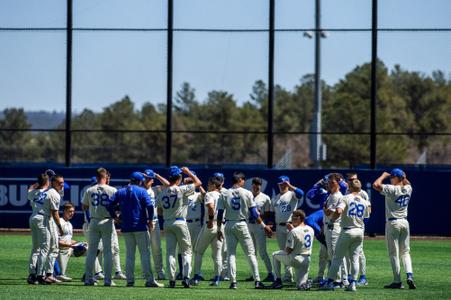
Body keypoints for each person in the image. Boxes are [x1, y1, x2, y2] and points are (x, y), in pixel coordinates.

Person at [216, 171, 271, 290]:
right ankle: (257, 280)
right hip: (241, 223)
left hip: (229, 224)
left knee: (231, 254)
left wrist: (219, 229)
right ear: (240, 180)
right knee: (250, 253)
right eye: (243, 180)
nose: (244, 182)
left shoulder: (224, 193)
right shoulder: (246, 193)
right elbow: (254, 213)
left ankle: (233, 282)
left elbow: (220, 213)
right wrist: (264, 226)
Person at [108, 171, 163, 288]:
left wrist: (114, 217)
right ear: (139, 181)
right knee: (145, 254)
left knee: (129, 255)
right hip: (140, 226)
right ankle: (149, 280)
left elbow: (109, 204)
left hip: (126, 227)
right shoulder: (142, 191)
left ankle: (130, 280)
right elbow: (149, 206)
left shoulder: (121, 191)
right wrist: (149, 220)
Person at [320, 179, 371, 292]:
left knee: (337, 257)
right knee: (354, 258)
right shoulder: (364, 201)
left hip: (347, 230)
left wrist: (332, 221)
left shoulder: (346, 198)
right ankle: (352, 283)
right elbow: (367, 216)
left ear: (350, 188)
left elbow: (338, 210)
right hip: (359, 231)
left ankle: (330, 282)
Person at [156, 166, 202, 288]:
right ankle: (186, 278)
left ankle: (171, 280)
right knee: (186, 251)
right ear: (179, 178)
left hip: (167, 223)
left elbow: (159, 211)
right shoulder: (181, 189)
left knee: (170, 252)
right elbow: (198, 183)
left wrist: (168, 213)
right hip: (180, 222)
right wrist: (188, 172)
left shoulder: (163, 192)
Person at [373, 168, 416, 289]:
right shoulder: (408, 189)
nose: (391, 178)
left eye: (392, 177)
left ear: (397, 178)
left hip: (393, 223)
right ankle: (409, 275)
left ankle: (397, 281)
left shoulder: (392, 189)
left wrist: (383, 176)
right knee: (405, 252)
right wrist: (403, 176)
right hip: (405, 222)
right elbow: (408, 183)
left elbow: (376, 185)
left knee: (393, 254)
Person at [270, 175, 304, 282]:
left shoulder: (292, 194)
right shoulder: (275, 198)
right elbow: (273, 214)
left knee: (294, 251)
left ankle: (300, 274)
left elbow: (301, 193)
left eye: (284, 184)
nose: (282, 186)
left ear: (288, 184)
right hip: (280, 227)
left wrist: (290, 186)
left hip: (291, 226)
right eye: (280, 184)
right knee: (284, 252)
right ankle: (288, 275)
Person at [271, 210, 314, 290]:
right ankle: (306, 283)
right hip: (306, 260)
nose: (291, 221)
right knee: (300, 286)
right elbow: (301, 235)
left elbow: (289, 250)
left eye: (293, 218)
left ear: (299, 218)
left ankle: (278, 280)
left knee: (274, 255)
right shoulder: (310, 229)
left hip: (295, 259)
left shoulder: (294, 231)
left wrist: (291, 231)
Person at [192, 176, 222, 286]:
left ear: (214, 185)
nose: (208, 186)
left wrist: (210, 220)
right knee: (217, 254)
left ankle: (196, 277)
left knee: (198, 251)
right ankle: (217, 278)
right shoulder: (222, 194)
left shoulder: (210, 194)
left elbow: (210, 207)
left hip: (210, 224)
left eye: (209, 184)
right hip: (220, 225)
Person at [35, 174, 65, 284]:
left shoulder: (48, 191)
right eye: (59, 183)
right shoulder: (53, 194)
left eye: (62, 182)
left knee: (52, 247)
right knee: (46, 248)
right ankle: (40, 275)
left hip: (42, 217)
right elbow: (55, 213)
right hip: (45, 219)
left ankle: (47, 274)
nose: (62, 185)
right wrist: (60, 227)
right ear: (53, 183)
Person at [142, 168, 170, 280]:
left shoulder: (156, 189)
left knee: (157, 249)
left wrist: (157, 175)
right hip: (143, 223)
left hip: (155, 222)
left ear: (152, 180)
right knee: (145, 249)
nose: (147, 180)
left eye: (149, 179)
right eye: (146, 178)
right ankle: (146, 272)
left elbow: (168, 185)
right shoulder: (139, 190)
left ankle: (159, 271)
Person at [245, 177, 274, 282]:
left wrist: (259, 216)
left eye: (258, 184)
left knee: (262, 252)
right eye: (254, 184)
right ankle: (254, 274)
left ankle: (270, 273)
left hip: (259, 226)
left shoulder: (265, 198)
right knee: (251, 252)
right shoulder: (247, 195)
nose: (256, 186)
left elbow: (267, 214)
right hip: (248, 226)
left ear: (260, 186)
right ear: (251, 185)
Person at [323, 173, 348, 287]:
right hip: (329, 226)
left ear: (339, 183)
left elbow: (335, 212)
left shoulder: (338, 196)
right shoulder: (331, 195)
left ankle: (338, 280)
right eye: (328, 182)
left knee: (334, 254)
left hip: (334, 226)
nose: (329, 184)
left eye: (332, 182)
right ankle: (343, 279)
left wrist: (328, 212)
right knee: (335, 254)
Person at [345, 172, 370, 286]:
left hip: (358, 225)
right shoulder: (346, 191)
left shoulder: (363, 193)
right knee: (348, 252)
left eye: (353, 179)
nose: (351, 181)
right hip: (349, 224)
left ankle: (363, 277)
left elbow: (368, 209)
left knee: (359, 252)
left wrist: (362, 222)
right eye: (350, 179)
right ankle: (350, 275)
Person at [27, 173, 50, 284]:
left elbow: (30, 189)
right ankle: (40, 275)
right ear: (47, 182)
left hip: (33, 217)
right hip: (42, 218)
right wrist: (46, 180)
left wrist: (39, 181)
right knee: (44, 248)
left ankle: (32, 274)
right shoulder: (49, 192)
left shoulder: (33, 192)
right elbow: (60, 192)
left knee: (35, 248)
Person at [305, 209, 328, 284]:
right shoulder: (309, 221)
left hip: (332, 234)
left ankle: (336, 278)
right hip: (325, 234)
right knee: (322, 255)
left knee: (333, 257)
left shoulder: (309, 221)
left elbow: (310, 222)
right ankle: (320, 276)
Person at [56, 203, 78, 282]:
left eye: (73, 211)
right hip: (60, 250)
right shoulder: (59, 222)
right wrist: (69, 245)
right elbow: (56, 241)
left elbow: (69, 239)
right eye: (70, 211)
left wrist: (80, 243)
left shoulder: (70, 224)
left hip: (69, 248)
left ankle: (88, 275)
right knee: (65, 249)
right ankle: (60, 274)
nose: (72, 213)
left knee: (90, 249)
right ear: (64, 211)